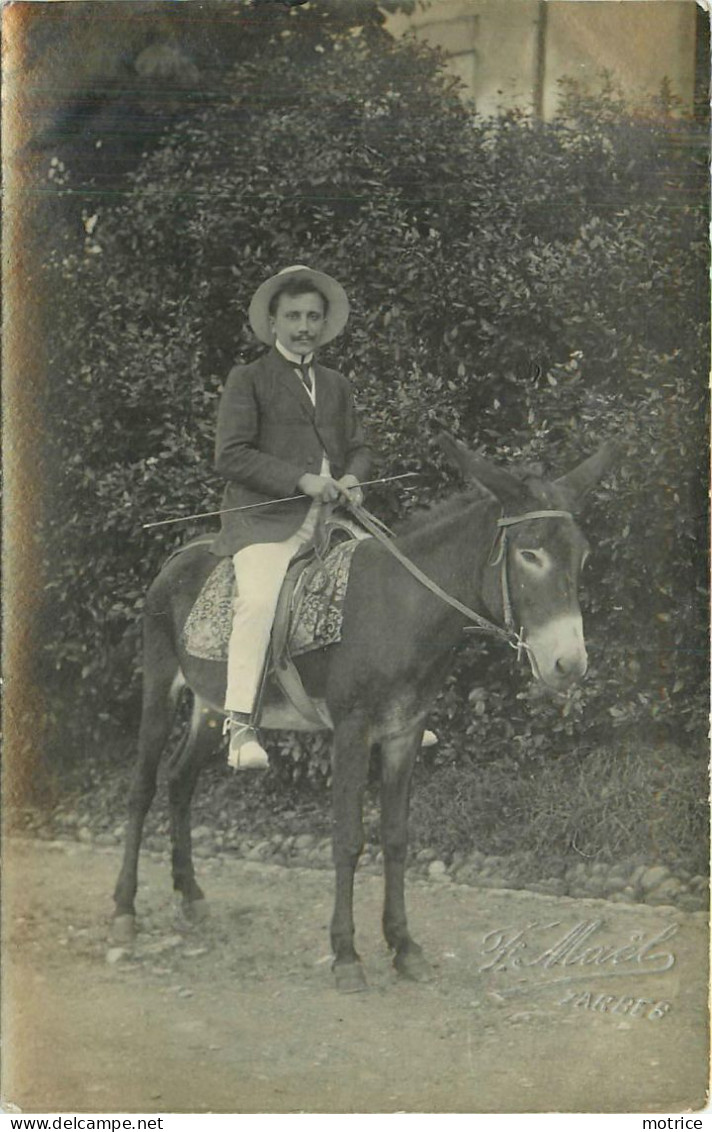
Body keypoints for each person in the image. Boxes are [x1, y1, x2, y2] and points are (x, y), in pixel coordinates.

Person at [212, 265, 372, 770]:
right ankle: (239, 724)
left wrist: (353, 479)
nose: (304, 326)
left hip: (332, 518)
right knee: (257, 600)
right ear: (273, 322)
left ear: (324, 324)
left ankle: (383, 711)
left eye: (313, 317)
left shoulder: (336, 383)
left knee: (385, 585)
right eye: (294, 316)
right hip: (266, 520)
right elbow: (231, 455)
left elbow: (361, 447)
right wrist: (300, 481)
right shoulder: (249, 379)